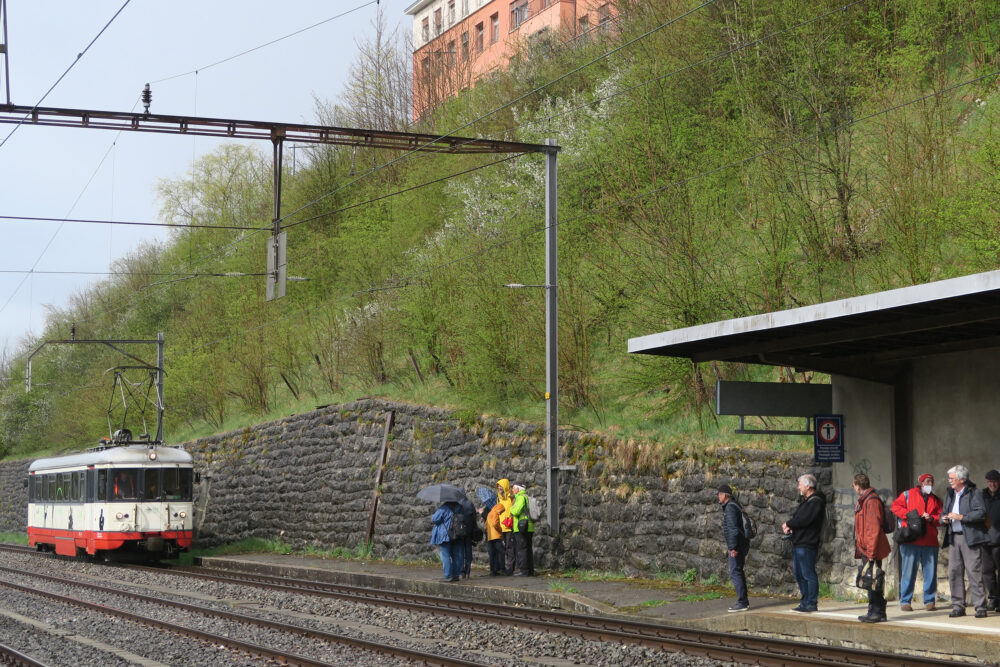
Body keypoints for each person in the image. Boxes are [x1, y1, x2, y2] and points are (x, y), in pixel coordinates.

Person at [890, 473, 943, 611]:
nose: (929, 484)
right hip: (911, 540)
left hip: (930, 541)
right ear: (920, 483)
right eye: (927, 481)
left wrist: (931, 518)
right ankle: (905, 601)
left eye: (931, 481)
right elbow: (895, 507)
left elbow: (941, 517)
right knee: (908, 572)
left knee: (930, 573)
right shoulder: (908, 494)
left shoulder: (936, 500)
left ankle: (930, 601)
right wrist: (910, 515)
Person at [942, 464, 989, 618]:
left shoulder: (974, 493)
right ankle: (958, 606)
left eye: (952, 478)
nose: (949, 481)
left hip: (970, 538)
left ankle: (980, 607)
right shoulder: (950, 494)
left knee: (974, 573)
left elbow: (981, 513)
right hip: (954, 537)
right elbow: (943, 513)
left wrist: (962, 517)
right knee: (954, 572)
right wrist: (943, 519)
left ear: (962, 479)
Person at [782, 473, 825, 612]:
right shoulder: (806, 502)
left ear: (808, 485)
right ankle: (805, 601)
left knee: (808, 574)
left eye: (800, 484)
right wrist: (791, 527)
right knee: (799, 575)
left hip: (807, 543)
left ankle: (811, 602)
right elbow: (799, 518)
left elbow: (805, 519)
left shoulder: (816, 502)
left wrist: (789, 523)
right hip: (799, 542)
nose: (798, 487)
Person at [854, 474, 891, 623]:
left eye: (854, 485)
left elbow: (873, 529)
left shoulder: (871, 501)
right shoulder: (865, 500)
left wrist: (871, 552)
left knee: (873, 579)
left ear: (857, 485)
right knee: (870, 580)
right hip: (867, 548)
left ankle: (877, 611)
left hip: (871, 549)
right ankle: (873, 610)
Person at [717, 484, 750, 612]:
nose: (718, 497)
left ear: (725, 495)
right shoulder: (735, 505)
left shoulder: (730, 508)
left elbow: (732, 530)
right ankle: (743, 601)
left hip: (738, 545)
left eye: (719, 495)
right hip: (742, 543)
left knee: (735, 572)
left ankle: (742, 602)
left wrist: (733, 548)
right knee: (738, 571)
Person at [430, 501, 463, 583]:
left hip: (445, 535)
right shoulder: (460, 508)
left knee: (445, 555)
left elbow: (434, 519)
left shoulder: (444, 508)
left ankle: (448, 575)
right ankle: (456, 575)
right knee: (456, 556)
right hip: (457, 534)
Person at [982, 469, 1000, 612]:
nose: (992, 484)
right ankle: (993, 599)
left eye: (994, 481)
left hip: (999, 540)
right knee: (987, 571)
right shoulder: (982, 496)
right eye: (989, 482)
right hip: (985, 540)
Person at [510, 483, 535, 576]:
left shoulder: (520, 498)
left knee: (522, 549)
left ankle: (524, 571)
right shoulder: (526, 497)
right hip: (529, 526)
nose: (512, 490)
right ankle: (530, 570)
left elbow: (516, 511)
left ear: (518, 489)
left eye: (513, 488)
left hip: (521, 526)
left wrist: (511, 509)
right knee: (528, 548)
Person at [497, 478, 515, 576]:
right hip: (500, 527)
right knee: (502, 548)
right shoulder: (498, 498)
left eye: (501, 485)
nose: (499, 487)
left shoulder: (511, 497)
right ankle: (503, 567)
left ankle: (510, 568)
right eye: (498, 486)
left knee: (510, 547)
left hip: (508, 526)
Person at [482, 500, 504, 575]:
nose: (501, 513)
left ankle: (493, 570)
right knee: (501, 552)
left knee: (492, 553)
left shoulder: (489, 513)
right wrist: (500, 529)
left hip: (489, 536)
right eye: (502, 511)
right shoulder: (495, 513)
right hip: (496, 536)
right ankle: (502, 568)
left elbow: (485, 526)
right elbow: (495, 523)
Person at [458, 495, 477, 579]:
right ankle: (468, 571)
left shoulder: (458, 504)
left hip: (461, 532)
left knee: (461, 552)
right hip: (469, 532)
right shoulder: (470, 504)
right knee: (468, 552)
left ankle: (462, 572)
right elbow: (474, 517)